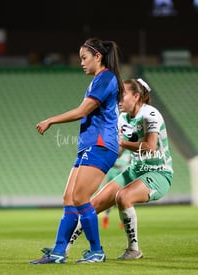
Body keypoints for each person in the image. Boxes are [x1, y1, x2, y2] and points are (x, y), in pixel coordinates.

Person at [43, 78, 174, 260]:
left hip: (159, 173)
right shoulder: (121, 118)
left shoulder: (150, 114)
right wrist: (98, 164)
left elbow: (151, 147)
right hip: (135, 170)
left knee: (123, 196)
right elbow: (118, 150)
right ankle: (63, 249)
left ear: (136, 96)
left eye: (123, 95)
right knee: (90, 205)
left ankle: (133, 250)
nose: (118, 99)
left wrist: (122, 143)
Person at [30, 37, 124, 264]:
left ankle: (97, 251)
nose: (81, 62)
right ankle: (58, 253)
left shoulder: (106, 78)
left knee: (81, 196)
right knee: (69, 198)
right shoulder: (96, 81)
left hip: (101, 145)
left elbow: (83, 111)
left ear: (98, 56)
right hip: (89, 146)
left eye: (84, 58)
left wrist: (51, 120)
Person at [101, 148, 131, 229]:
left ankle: (123, 221)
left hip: (124, 180)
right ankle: (106, 217)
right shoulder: (114, 151)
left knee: (123, 201)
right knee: (110, 202)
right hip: (113, 179)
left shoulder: (129, 152)